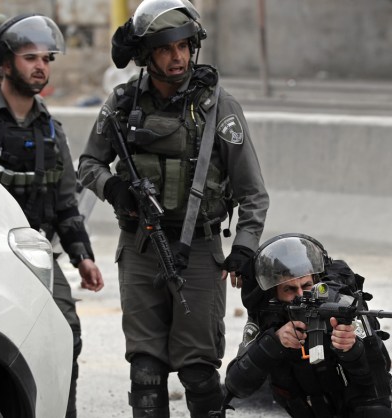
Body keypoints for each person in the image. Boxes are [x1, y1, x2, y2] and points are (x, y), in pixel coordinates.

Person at [77, 0, 269, 416]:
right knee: (145, 370)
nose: (177, 56)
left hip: (199, 252)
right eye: (165, 48)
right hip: (140, 249)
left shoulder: (217, 107)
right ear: (148, 55)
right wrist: (113, 188)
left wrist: (245, 247)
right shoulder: (123, 103)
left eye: (183, 46)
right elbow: (88, 164)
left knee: (198, 371)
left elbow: (253, 192)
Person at [0, 14, 104, 418]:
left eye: (47, 58)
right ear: (5, 64)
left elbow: (66, 202)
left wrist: (82, 256)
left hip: (34, 257)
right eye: (30, 57)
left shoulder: (51, 129)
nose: (41, 67)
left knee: (65, 333)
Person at [224, 233, 392, 418]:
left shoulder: (341, 304)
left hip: (358, 407)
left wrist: (353, 350)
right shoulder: (268, 317)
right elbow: (236, 385)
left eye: (306, 285)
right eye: (289, 289)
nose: (299, 295)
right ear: (274, 293)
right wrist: (274, 342)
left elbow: (379, 373)